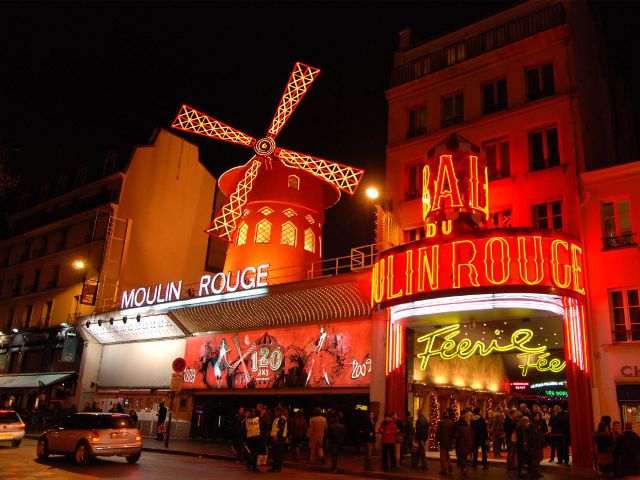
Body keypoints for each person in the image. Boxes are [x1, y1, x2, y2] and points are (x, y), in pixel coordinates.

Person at [454, 409, 474, 476]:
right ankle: (463, 469)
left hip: (461, 444)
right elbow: (472, 435)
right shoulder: (468, 427)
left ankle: (464, 467)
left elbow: (456, 436)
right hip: (467, 444)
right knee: (464, 456)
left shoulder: (459, 427)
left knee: (461, 456)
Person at [436, 408, 455, 476]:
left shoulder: (441, 422)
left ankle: (445, 470)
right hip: (448, 442)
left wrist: (436, 441)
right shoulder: (452, 422)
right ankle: (449, 466)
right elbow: (453, 433)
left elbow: (438, 433)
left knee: (443, 457)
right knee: (447, 455)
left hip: (443, 441)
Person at [269, 407, 287, 473]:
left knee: (278, 453)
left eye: (276, 411)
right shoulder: (276, 419)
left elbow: (281, 429)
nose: (275, 413)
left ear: (279, 412)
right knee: (274, 453)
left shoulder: (282, 418)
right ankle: (274, 467)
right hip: (274, 437)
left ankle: (278, 467)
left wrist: (277, 436)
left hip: (279, 438)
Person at [529, 412, 546, 478]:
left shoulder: (537, 424)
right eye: (537, 416)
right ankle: (534, 473)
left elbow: (539, 434)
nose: (538, 417)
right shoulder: (532, 425)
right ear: (534, 417)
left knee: (538, 458)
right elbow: (532, 436)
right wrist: (533, 445)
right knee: (535, 459)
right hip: (535, 445)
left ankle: (537, 472)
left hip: (538, 444)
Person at [516, 415, 531, 479]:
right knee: (520, 459)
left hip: (522, 445)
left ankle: (522, 472)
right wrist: (524, 443)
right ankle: (520, 472)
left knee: (523, 458)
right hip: (521, 445)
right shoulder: (520, 427)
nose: (528, 422)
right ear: (525, 421)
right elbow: (521, 437)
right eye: (527, 421)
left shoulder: (523, 427)